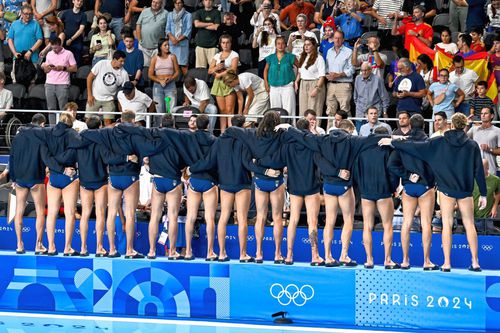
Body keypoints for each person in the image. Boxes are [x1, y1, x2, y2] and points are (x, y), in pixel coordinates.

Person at [380, 113, 487, 272]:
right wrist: (483, 194)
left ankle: (445, 263)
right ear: (465, 126)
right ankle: (475, 262)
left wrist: (394, 141)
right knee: (469, 224)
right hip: (464, 190)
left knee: (445, 225)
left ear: (451, 125)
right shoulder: (472, 145)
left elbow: (415, 146)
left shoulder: (440, 141)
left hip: (444, 190)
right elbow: (479, 170)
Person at [190, 115, 279, 262]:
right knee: (242, 219)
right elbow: (248, 163)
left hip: (225, 184)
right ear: (243, 125)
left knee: (223, 218)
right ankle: (243, 254)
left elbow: (209, 161)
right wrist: (264, 171)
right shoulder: (245, 141)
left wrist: (193, 169)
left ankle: (222, 253)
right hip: (242, 182)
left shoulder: (219, 141)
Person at [224, 112, 288, 264]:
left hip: (260, 180)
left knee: (260, 216)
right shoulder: (281, 135)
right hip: (275, 180)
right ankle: (278, 254)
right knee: (277, 217)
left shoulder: (253, 134)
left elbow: (231, 130)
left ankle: (258, 253)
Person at [261, 119, 324, 266]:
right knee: (312, 222)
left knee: (293, 220)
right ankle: (315, 256)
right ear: (308, 128)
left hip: (294, 187)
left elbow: (279, 163)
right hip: (311, 186)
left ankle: (289, 255)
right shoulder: (311, 144)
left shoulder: (287, 145)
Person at [387, 114, 437, 270]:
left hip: (409, 187)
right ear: (423, 125)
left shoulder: (403, 143)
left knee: (406, 223)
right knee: (426, 223)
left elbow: (391, 165)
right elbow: (436, 164)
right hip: (425, 187)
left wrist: (407, 176)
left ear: (410, 124)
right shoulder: (429, 142)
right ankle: (426, 261)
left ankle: (405, 260)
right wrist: (431, 180)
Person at [71, 115, 116, 257]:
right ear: (100, 125)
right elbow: (107, 158)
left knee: (85, 214)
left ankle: (83, 248)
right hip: (100, 182)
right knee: (101, 214)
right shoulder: (101, 140)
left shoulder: (79, 139)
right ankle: (99, 247)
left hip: (85, 182)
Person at [356, 126, 399, 269]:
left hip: (366, 191)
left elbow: (357, 170)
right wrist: (392, 189)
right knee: (387, 225)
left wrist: (362, 187)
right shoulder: (388, 149)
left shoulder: (362, 150)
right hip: (383, 191)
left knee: (367, 226)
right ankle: (387, 260)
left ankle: (369, 260)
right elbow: (393, 171)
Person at [37, 112, 80, 256]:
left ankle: (50, 246)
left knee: (52, 214)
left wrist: (57, 167)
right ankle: (67, 247)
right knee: (69, 214)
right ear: (70, 122)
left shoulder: (48, 133)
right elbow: (74, 152)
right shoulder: (72, 133)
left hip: (54, 176)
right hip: (69, 176)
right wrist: (64, 169)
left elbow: (45, 157)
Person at [146, 115, 186, 259]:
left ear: (161, 124)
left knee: (154, 216)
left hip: (158, 180)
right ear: (174, 125)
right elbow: (183, 161)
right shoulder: (178, 139)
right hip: (173, 180)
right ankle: (173, 251)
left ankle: (151, 251)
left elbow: (148, 156)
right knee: (173, 217)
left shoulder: (154, 138)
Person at [9, 113, 48, 255]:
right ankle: (39, 245)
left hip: (19, 178)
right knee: (39, 211)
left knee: (18, 211)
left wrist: (13, 178)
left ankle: (19, 244)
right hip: (36, 177)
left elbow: (11, 158)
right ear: (42, 124)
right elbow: (44, 157)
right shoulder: (40, 136)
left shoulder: (18, 136)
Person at [86, 50, 129, 125]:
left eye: (124, 61)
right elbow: (89, 77)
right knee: (88, 120)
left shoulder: (124, 73)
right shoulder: (102, 63)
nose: (123, 63)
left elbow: (126, 89)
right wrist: (89, 95)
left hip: (109, 99)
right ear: (115, 60)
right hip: (94, 97)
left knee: (108, 122)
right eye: (121, 61)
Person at [41, 37, 77, 125]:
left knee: (63, 109)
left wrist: (63, 68)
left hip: (62, 83)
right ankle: (52, 128)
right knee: (51, 108)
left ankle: (63, 126)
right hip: (49, 83)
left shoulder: (68, 53)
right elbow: (46, 70)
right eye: (52, 48)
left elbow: (75, 68)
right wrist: (45, 67)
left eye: (56, 48)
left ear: (60, 45)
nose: (54, 50)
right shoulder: (49, 54)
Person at [208, 34, 238, 132]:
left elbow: (233, 69)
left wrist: (220, 74)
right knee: (222, 111)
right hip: (218, 84)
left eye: (227, 42)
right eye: (223, 43)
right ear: (220, 44)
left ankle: (231, 132)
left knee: (230, 110)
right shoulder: (217, 55)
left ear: (230, 43)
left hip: (229, 82)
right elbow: (209, 70)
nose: (225, 45)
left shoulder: (234, 54)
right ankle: (222, 133)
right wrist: (217, 68)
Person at [325, 30, 354, 129]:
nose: (337, 40)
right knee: (330, 111)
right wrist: (327, 75)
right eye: (335, 38)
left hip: (344, 85)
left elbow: (352, 69)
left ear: (343, 40)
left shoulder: (349, 51)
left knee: (345, 110)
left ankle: (348, 132)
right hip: (331, 85)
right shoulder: (329, 51)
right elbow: (327, 68)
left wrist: (339, 75)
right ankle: (329, 133)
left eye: (339, 38)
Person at [149, 39, 180, 127]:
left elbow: (177, 72)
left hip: (170, 85)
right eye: (165, 45)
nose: (167, 47)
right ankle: (159, 128)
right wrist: (160, 80)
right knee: (159, 109)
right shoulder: (155, 58)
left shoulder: (172, 56)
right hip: (158, 86)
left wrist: (170, 79)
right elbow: (150, 74)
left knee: (170, 108)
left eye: (168, 45)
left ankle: (171, 128)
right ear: (160, 47)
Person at [264, 35, 297, 117]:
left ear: (285, 45)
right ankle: (275, 128)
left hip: (288, 86)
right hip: (273, 86)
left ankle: (290, 128)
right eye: (278, 43)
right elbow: (265, 70)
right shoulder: (270, 57)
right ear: (275, 45)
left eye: (282, 43)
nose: (280, 45)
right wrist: (266, 83)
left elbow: (301, 67)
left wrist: (296, 81)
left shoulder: (291, 57)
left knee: (289, 110)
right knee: (275, 111)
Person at [296, 37, 325, 117]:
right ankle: (302, 129)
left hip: (315, 83)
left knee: (314, 109)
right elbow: (300, 72)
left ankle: (314, 129)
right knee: (303, 111)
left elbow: (322, 76)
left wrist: (316, 88)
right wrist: (296, 82)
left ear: (313, 46)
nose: (306, 46)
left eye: (308, 44)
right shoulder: (302, 57)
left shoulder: (319, 58)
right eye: (305, 45)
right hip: (303, 84)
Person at [467, 107, 500, 176]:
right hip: (474, 169)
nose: (483, 115)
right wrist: (466, 124)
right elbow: (461, 138)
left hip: (490, 170)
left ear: (492, 116)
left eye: (486, 113)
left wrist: (489, 149)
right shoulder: (474, 129)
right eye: (482, 113)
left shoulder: (497, 131)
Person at [135, 0, 167, 67]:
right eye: (153, 2)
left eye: (157, 3)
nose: (154, 4)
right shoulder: (144, 11)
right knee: (145, 68)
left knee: (158, 67)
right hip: (143, 47)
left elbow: (168, 29)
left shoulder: (166, 13)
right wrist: (139, 40)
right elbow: (138, 25)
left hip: (157, 48)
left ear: (161, 4)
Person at [473, 159, 500, 234]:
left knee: (489, 238)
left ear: (487, 168)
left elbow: (498, 193)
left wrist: (495, 206)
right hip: (472, 216)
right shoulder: (471, 178)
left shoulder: (496, 180)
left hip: (487, 216)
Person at [165, 0, 192, 75]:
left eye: (179, 3)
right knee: (171, 65)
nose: (178, 4)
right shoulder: (170, 14)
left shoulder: (188, 15)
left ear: (182, 4)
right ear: (174, 4)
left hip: (182, 43)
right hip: (172, 43)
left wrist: (178, 40)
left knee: (184, 65)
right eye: (176, 3)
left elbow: (188, 30)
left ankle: (186, 84)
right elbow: (167, 29)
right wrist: (173, 39)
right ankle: (172, 84)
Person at [193, 0, 221, 68]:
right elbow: (196, 24)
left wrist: (202, 25)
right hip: (200, 45)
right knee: (200, 70)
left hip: (213, 45)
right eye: (206, 0)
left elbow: (216, 27)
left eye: (210, 0)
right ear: (203, 2)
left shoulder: (216, 12)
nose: (208, 2)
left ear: (213, 2)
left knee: (214, 69)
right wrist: (210, 23)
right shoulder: (199, 12)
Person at [60, 0, 86, 65]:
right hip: (65, 41)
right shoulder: (66, 13)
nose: (79, 3)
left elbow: (81, 30)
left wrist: (71, 39)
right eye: (77, 0)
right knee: (65, 61)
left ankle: (75, 73)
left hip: (77, 42)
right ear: (73, 1)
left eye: (81, 1)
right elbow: (60, 25)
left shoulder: (83, 15)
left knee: (76, 62)